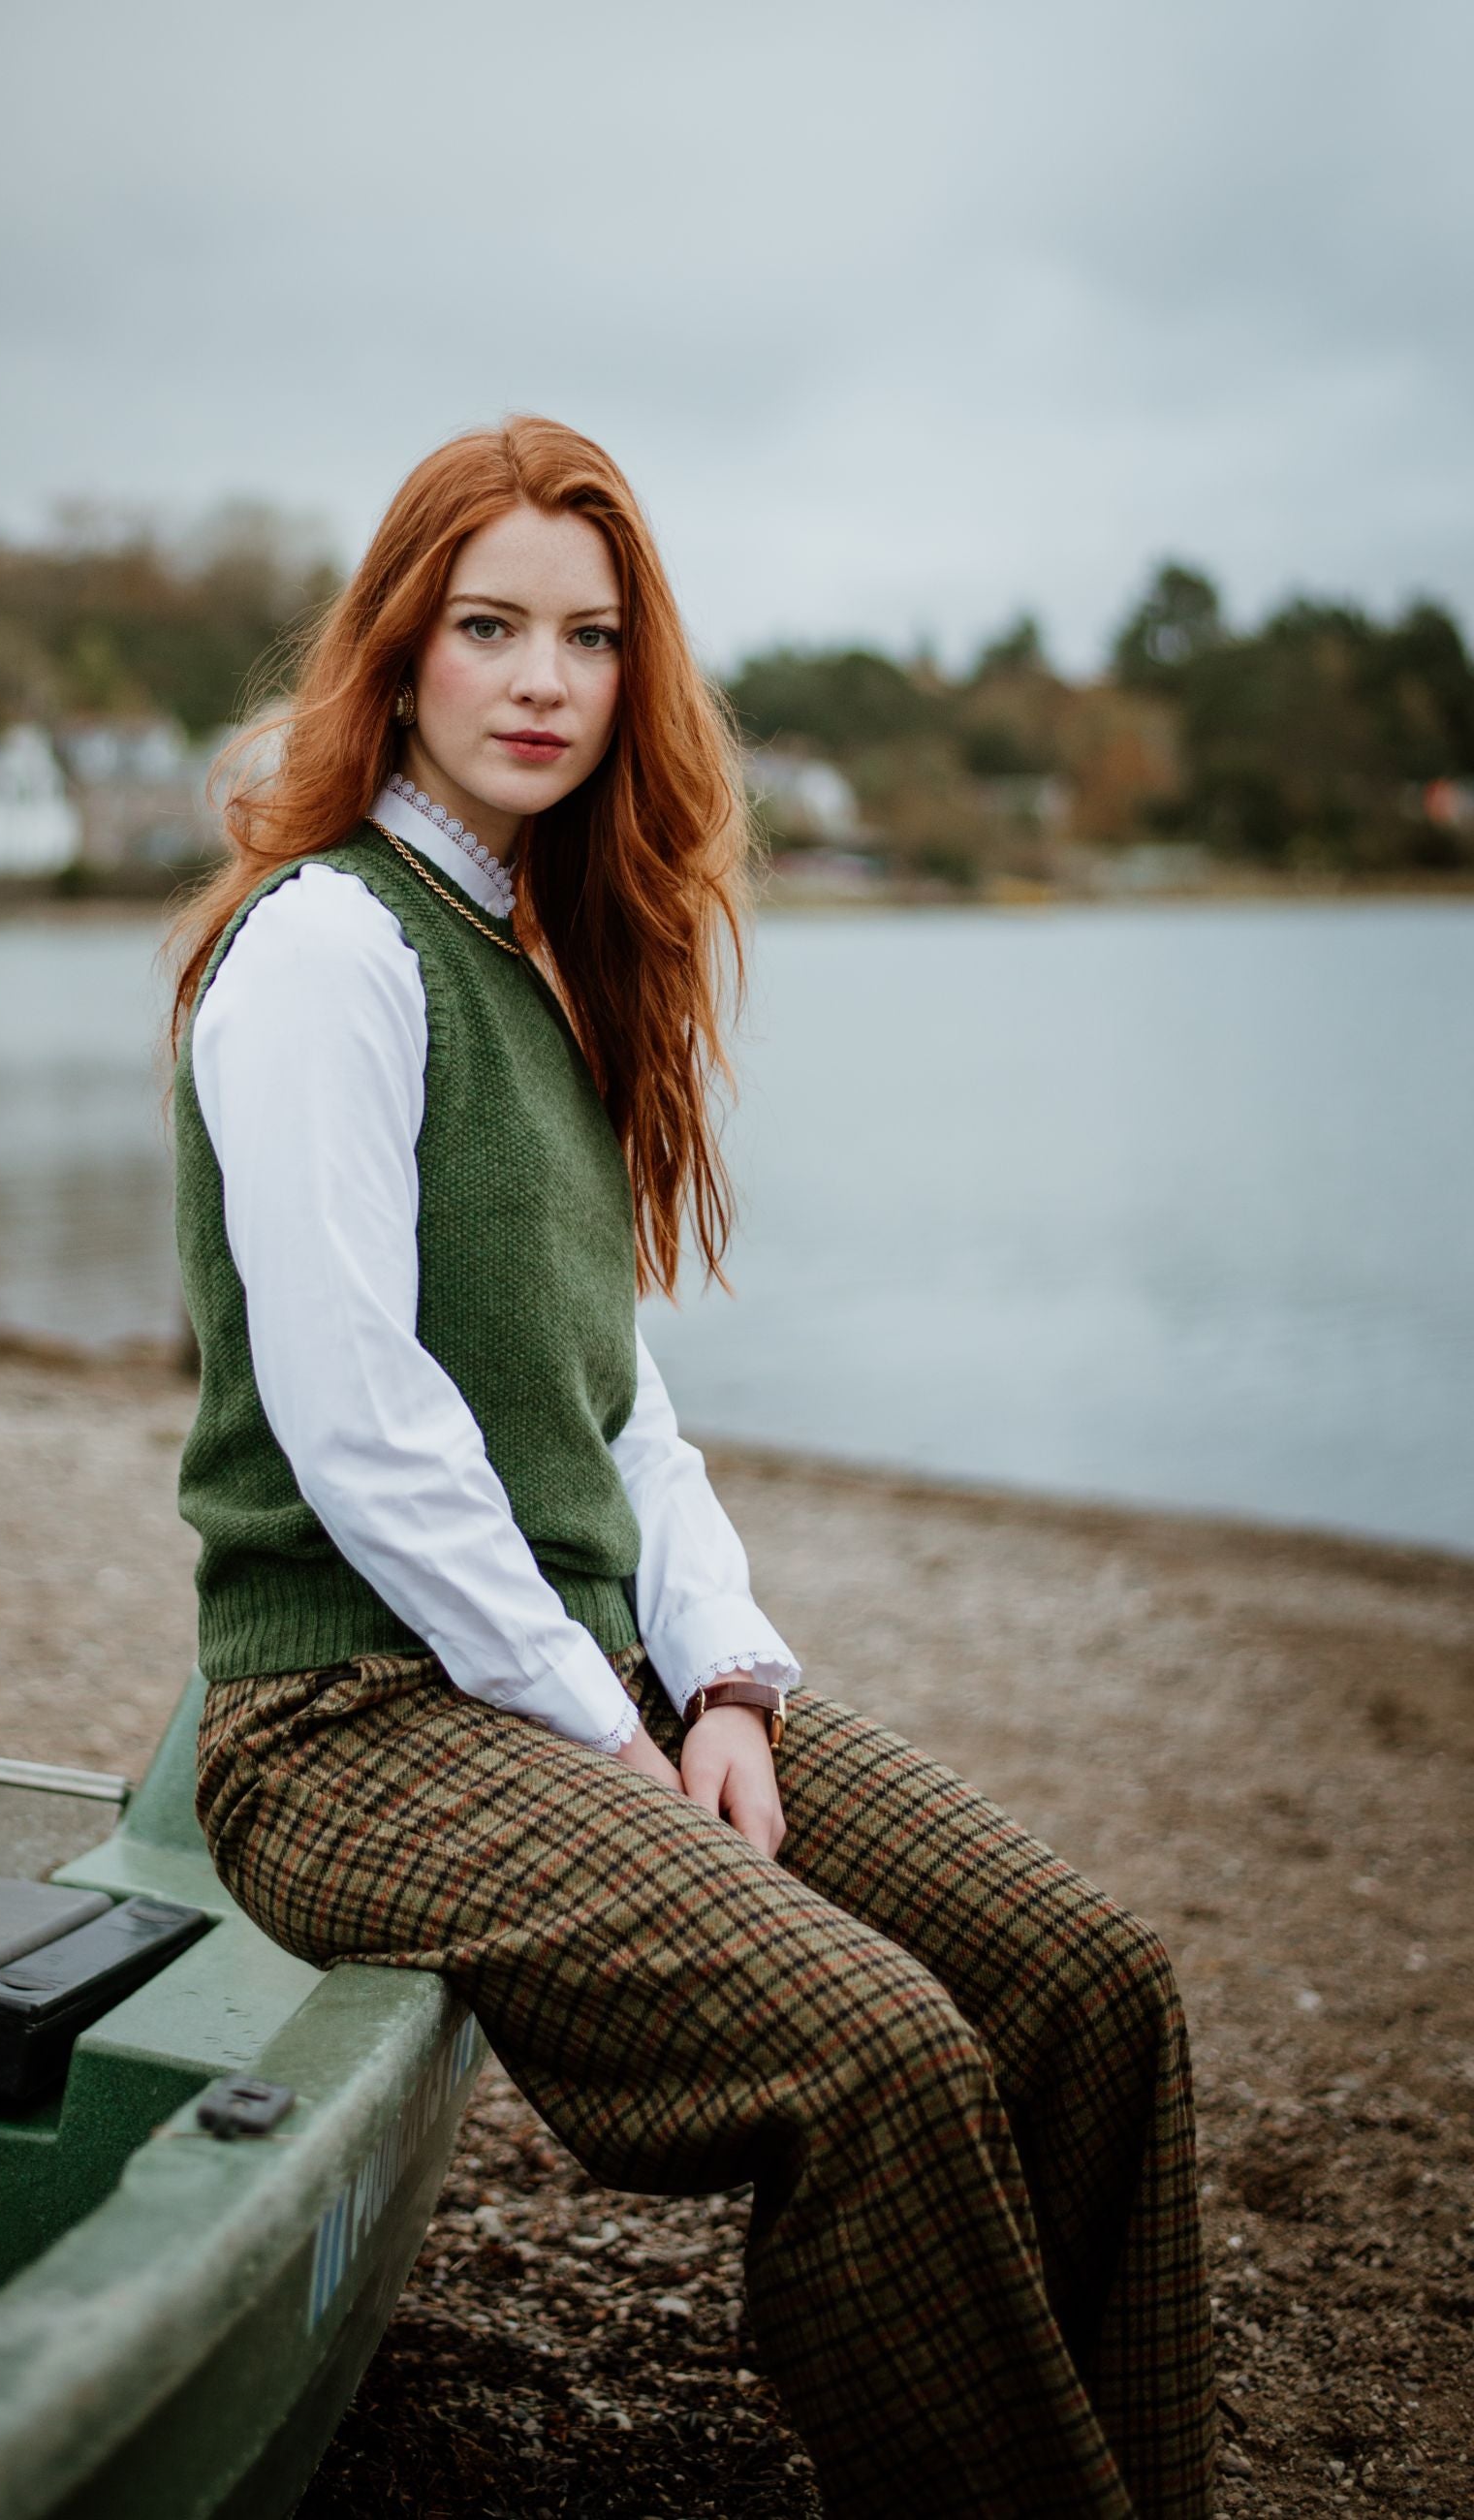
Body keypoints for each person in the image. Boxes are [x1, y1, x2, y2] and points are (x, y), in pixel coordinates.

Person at [165, 415, 1215, 2518]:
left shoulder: (535, 966)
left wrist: (723, 1683)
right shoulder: (323, 954)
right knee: (883, 2058)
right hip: (352, 1726)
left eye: (589, 635)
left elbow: (617, 1409)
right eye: (488, 628)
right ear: (399, 655)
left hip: (577, 1685)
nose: (543, 680)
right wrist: (602, 1728)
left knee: (1088, 1988)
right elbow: (365, 1425)